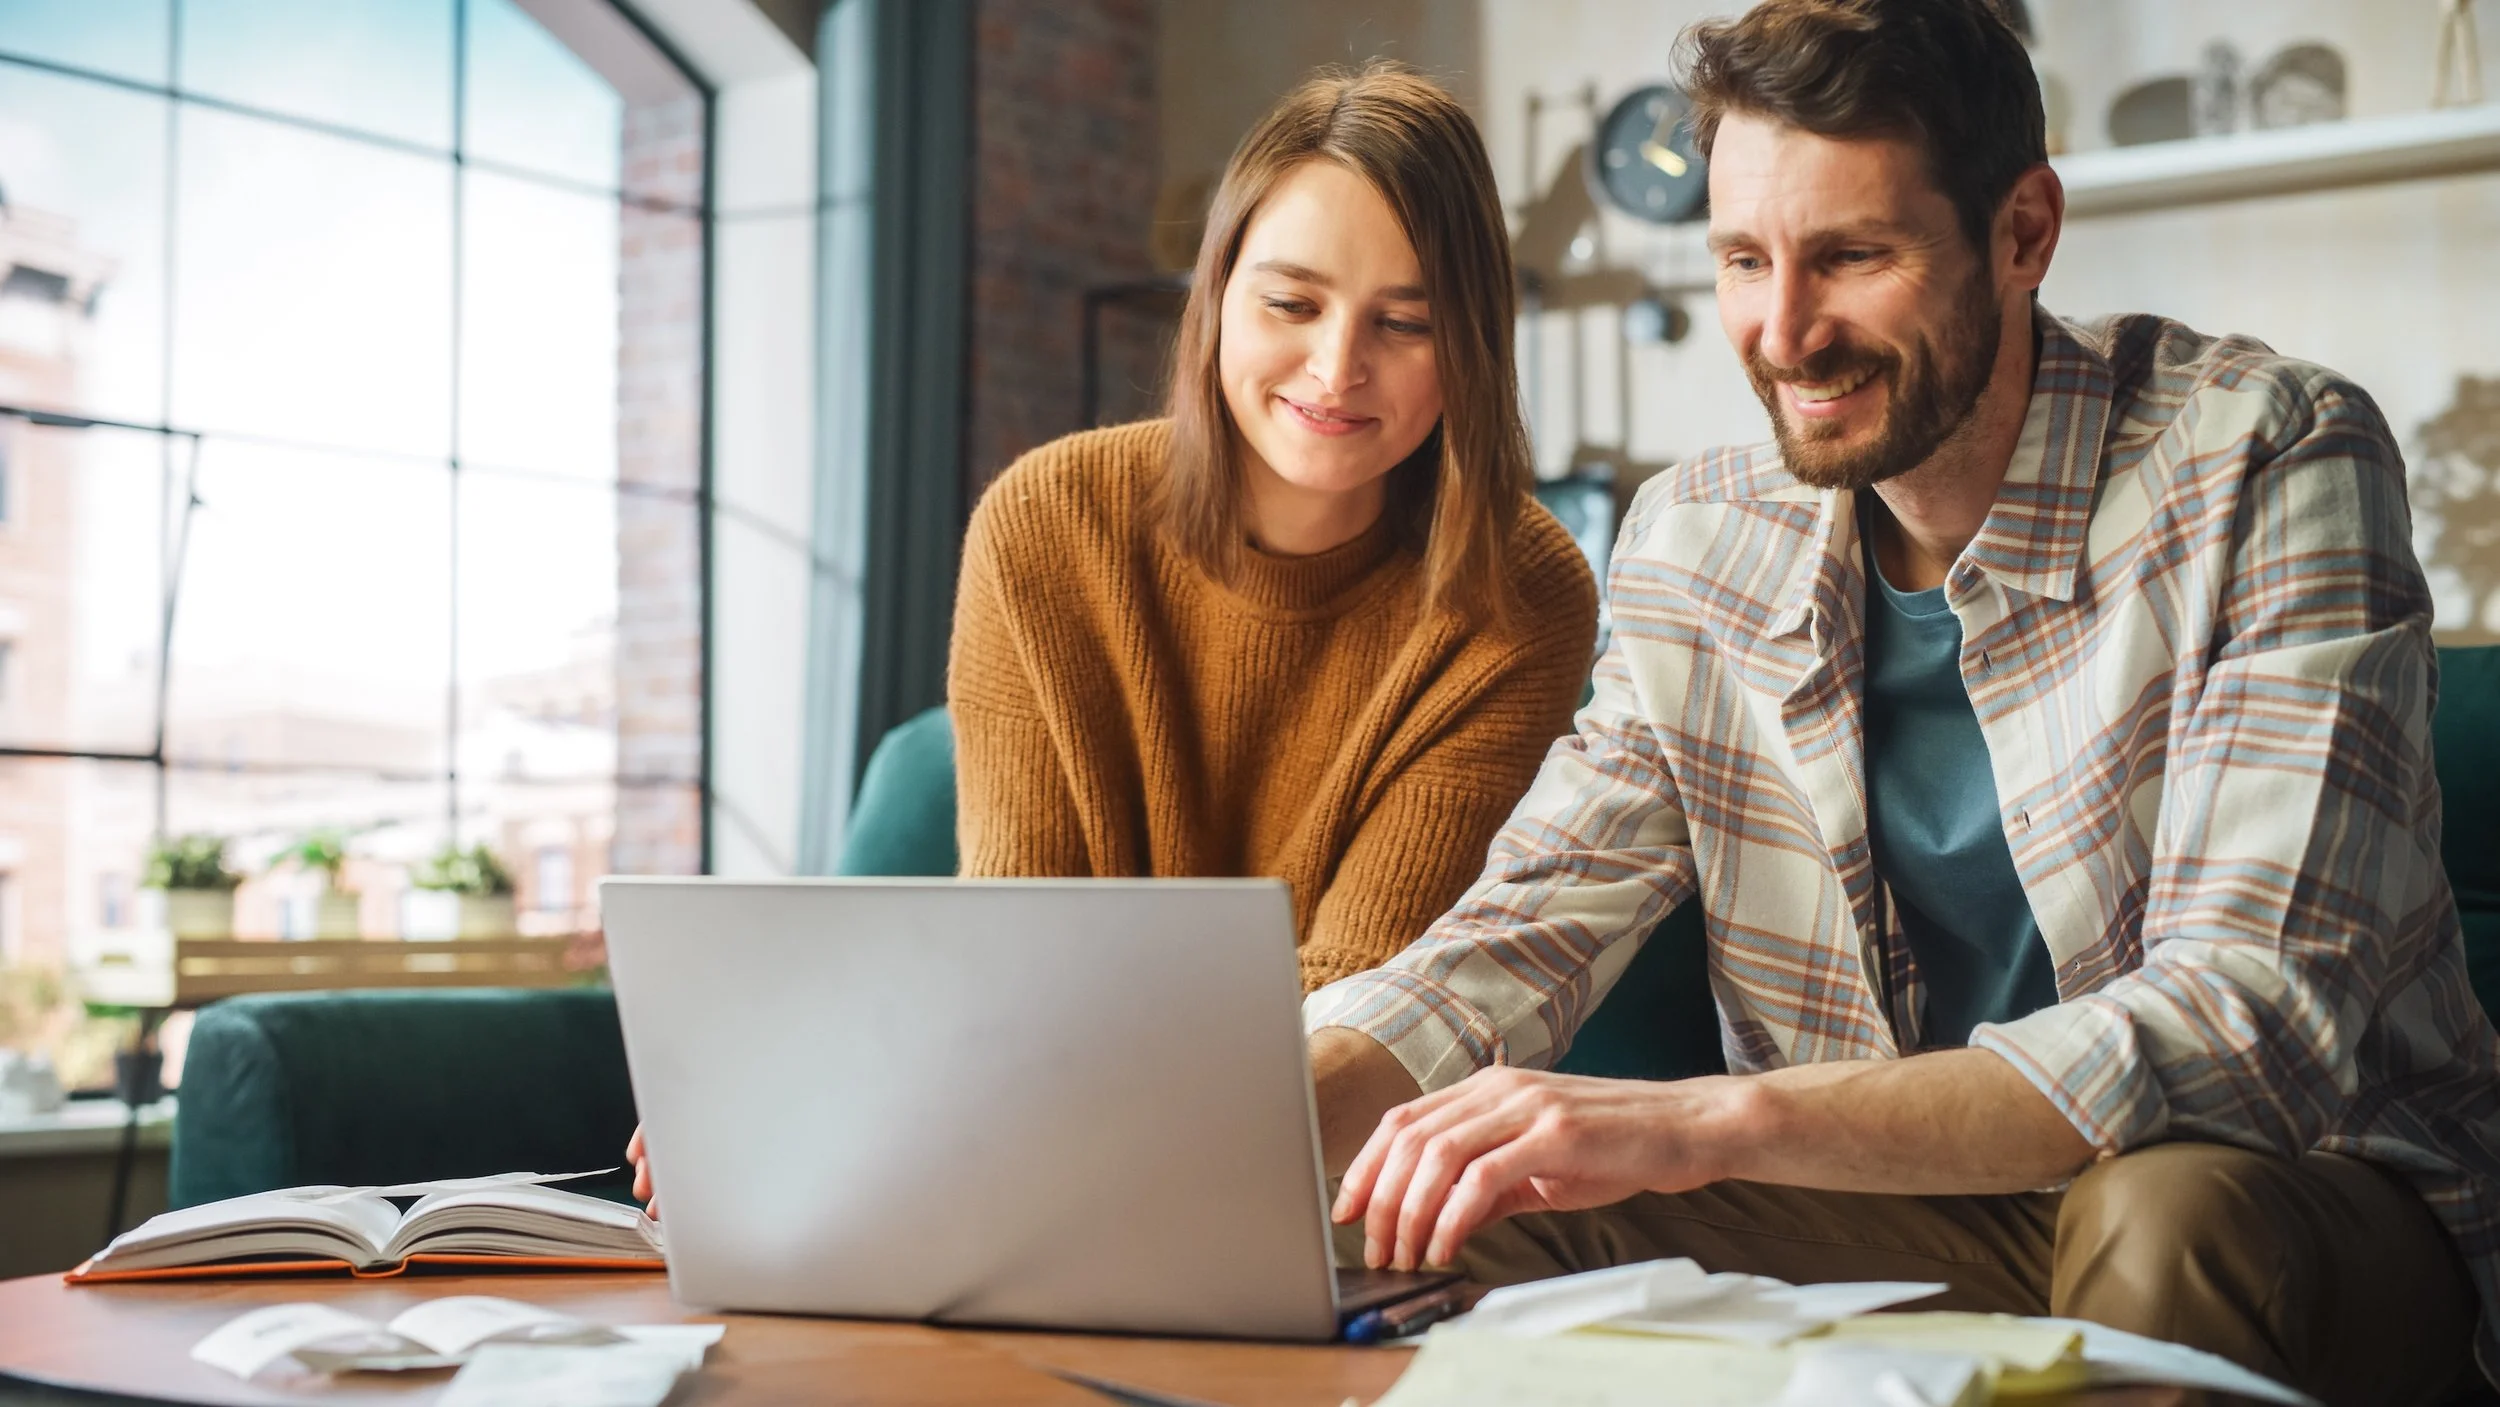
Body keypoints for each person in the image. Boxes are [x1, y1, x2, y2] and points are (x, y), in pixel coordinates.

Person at [1306, 3, 2500, 1402]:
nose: (1785, 331)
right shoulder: (1696, 536)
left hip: (2309, 1204)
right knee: (1421, 1206)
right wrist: (1237, 1129)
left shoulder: (2266, 454)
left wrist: (1713, 1119)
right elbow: (1529, 922)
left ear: (2022, 232)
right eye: (1745, 260)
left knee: (2160, 1212)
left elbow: (2247, 1021)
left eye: (1852, 256)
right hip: (1904, 1210)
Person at [630, 64, 1599, 1212]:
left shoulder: (1521, 587)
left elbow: (1367, 1000)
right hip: (1047, 1134)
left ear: (1473, 345)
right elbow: (1017, 935)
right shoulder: (1049, 521)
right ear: (1217, 296)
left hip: (1313, 1161)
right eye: (1291, 304)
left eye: (1405, 323)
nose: (1338, 368)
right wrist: (835, 1079)